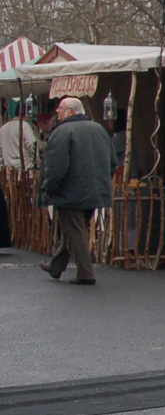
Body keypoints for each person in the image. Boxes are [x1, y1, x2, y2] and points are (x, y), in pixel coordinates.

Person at [37, 97, 117, 285]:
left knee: (75, 231)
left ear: (71, 112)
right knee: (76, 229)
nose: (57, 111)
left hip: (70, 191)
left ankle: (85, 273)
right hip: (95, 189)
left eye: (61, 108)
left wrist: (49, 188)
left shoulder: (63, 132)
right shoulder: (99, 129)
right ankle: (56, 266)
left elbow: (56, 166)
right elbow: (112, 162)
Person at [0, 105, 43, 171]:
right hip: (25, 168)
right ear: (25, 116)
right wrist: (36, 162)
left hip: (9, 169)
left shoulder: (3, 128)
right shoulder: (24, 126)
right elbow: (32, 144)